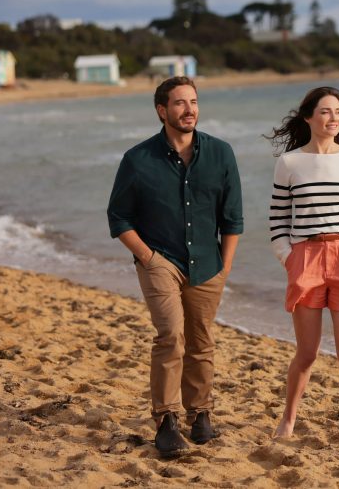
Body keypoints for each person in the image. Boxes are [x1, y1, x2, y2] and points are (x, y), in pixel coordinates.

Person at [107, 76, 243, 458]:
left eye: (194, 102)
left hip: (208, 262)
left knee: (201, 339)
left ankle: (200, 413)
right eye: (180, 103)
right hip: (159, 259)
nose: (190, 110)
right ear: (161, 110)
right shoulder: (138, 159)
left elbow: (232, 218)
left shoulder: (221, 153)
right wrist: (147, 257)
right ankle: (166, 419)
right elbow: (119, 217)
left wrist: (225, 267)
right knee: (170, 335)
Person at [268, 86, 339, 458]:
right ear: (308, 117)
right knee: (307, 353)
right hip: (306, 258)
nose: (334, 118)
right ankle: (288, 419)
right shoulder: (290, 162)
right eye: (326, 112)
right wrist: (289, 258)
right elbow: (278, 220)